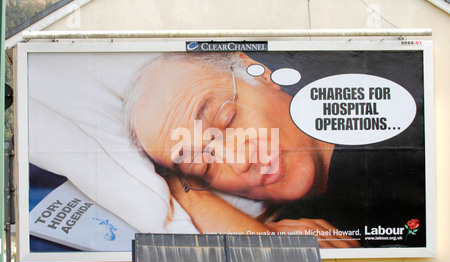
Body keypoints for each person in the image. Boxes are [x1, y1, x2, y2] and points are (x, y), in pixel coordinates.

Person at [123, 52, 362, 248]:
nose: (239, 162)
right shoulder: (295, 234)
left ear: (259, 74)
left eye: (227, 121)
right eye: (203, 165)